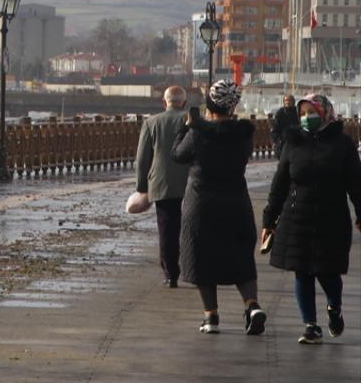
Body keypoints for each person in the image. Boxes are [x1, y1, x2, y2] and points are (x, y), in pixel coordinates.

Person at [260, 94, 361, 345]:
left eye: (312, 112)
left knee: (328, 273)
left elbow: (356, 185)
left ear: (325, 112)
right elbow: (279, 184)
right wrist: (269, 220)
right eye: (303, 114)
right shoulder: (293, 143)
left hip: (332, 218)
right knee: (302, 272)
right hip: (297, 217)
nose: (307, 118)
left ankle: (334, 307)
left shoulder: (343, 145)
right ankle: (311, 326)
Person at [171, 79, 266, 335]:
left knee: (202, 256)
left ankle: (210, 316)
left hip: (202, 204)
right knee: (241, 257)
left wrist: (186, 127)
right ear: (233, 106)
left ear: (210, 105)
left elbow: (178, 154)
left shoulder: (198, 133)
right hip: (236, 201)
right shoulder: (244, 135)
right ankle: (252, 305)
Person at [135, 85, 190, 287]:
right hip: (192, 181)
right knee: (191, 227)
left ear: (164, 102)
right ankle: (193, 267)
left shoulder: (152, 123)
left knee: (167, 229)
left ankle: (171, 274)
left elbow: (143, 158)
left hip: (162, 182)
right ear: (184, 103)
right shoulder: (192, 121)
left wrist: (142, 187)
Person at [270, 94, 298, 159]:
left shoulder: (297, 111)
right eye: (286, 100)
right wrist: (275, 141)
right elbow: (275, 128)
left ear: (293, 102)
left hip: (295, 140)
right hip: (283, 140)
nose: (287, 102)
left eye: (289, 100)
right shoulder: (280, 113)